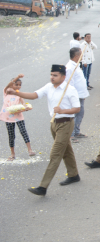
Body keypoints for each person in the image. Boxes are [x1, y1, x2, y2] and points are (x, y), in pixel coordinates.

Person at [8, 65, 81, 196]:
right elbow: (34, 95)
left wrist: (62, 110)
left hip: (66, 123)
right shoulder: (49, 86)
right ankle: (74, 175)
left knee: (55, 154)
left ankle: (43, 187)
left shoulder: (70, 90)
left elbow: (77, 109)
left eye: (55, 75)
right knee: (66, 150)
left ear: (63, 77)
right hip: (54, 123)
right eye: (51, 75)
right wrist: (16, 93)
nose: (52, 77)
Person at [1, 74, 35, 160]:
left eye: (20, 85)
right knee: (11, 135)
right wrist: (17, 77)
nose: (18, 86)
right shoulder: (6, 92)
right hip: (9, 117)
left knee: (23, 131)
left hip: (18, 116)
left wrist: (26, 107)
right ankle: (12, 154)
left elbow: (23, 103)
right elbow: (9, 84)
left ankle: (30, 150)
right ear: (11, 85)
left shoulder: (19, 94)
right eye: (16, 84)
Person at [66, 47, 89, 142]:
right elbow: (69, 83)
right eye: (81, 55)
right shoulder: (70, 67)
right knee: (74, 115)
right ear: (76, 56)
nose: (82, 57)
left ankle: (76, 132)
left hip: (80, 94)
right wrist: (73, 96)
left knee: (80, 113)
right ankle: (71, 135)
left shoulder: (75, 65)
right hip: (75, 95)